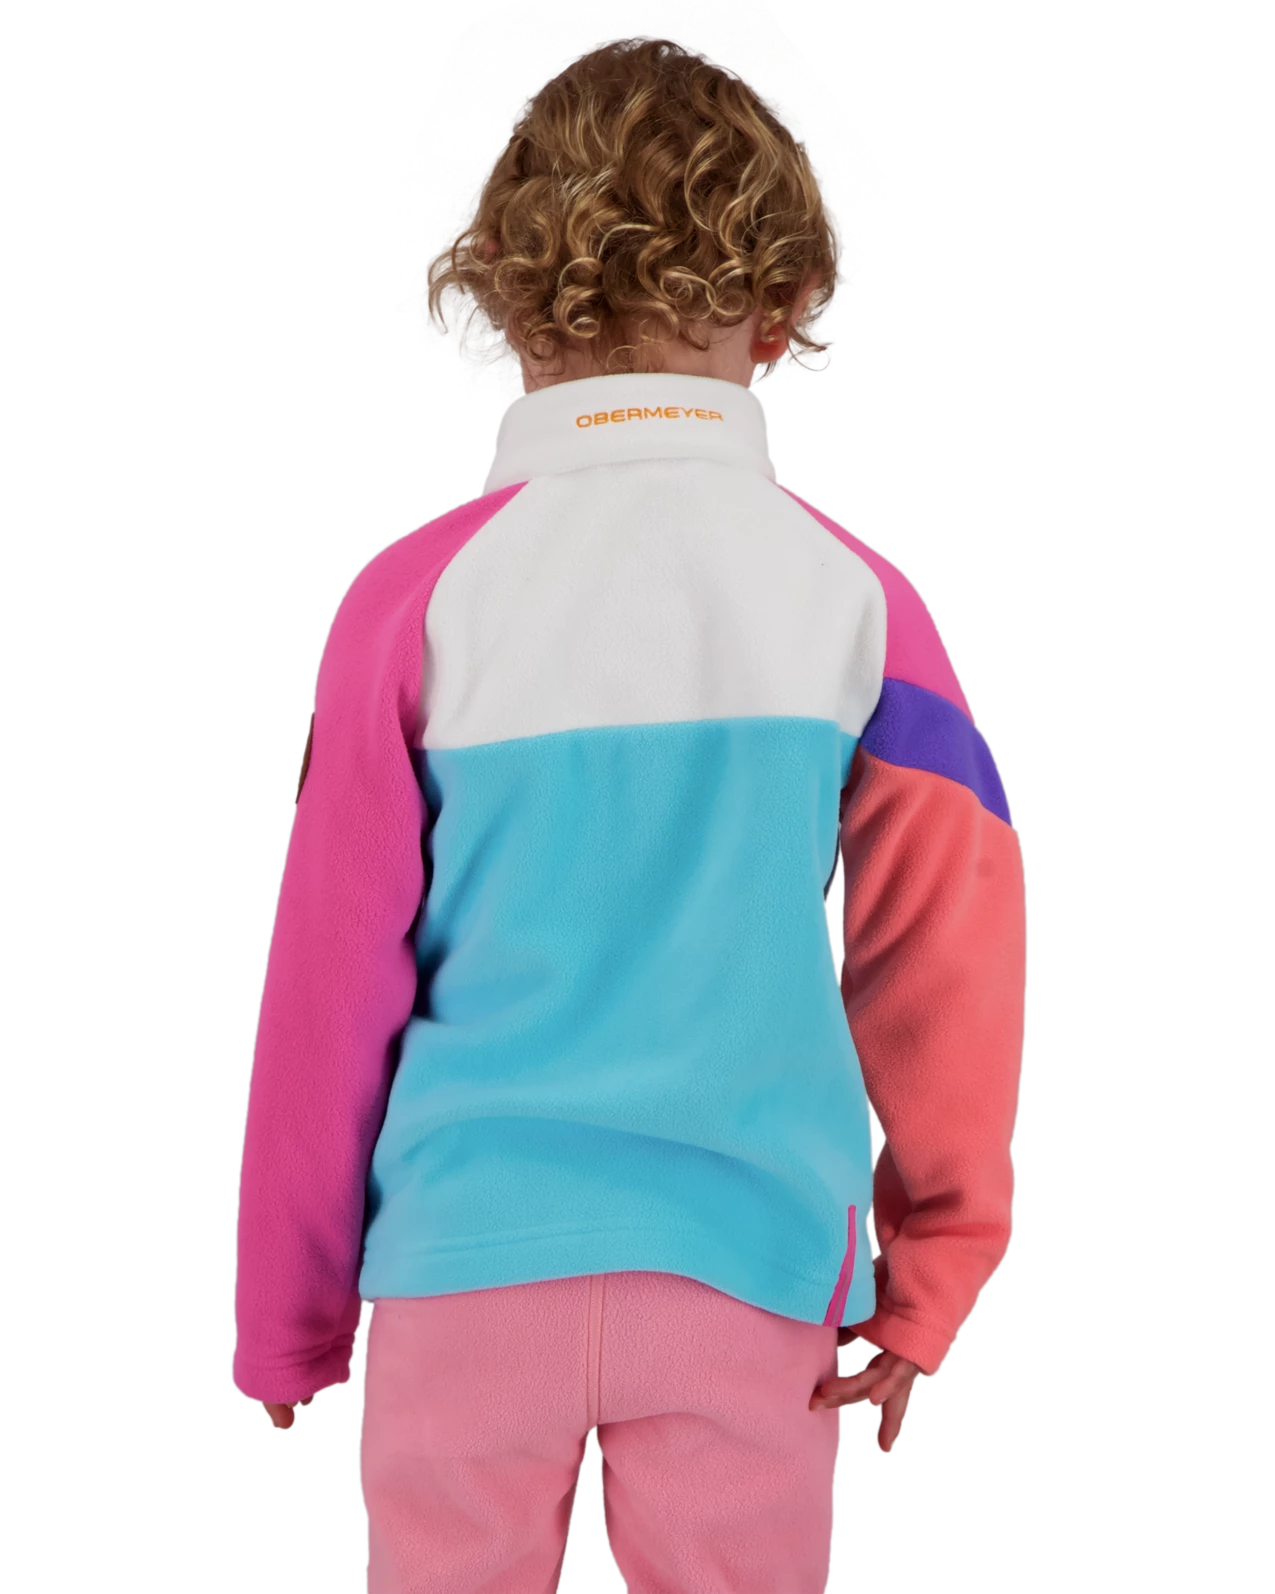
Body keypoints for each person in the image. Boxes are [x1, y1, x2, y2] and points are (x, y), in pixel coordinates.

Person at [233, 35, 1026, 1593]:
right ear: (782, 309)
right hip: (749, 1274)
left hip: (463, 1268)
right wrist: (931, 1268)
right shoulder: (854, 601)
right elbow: (948, 954)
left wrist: (288, 1315)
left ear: (515, 302)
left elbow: (324, 989)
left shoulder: (411, 599)